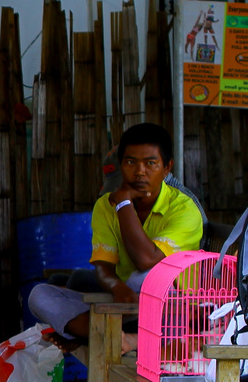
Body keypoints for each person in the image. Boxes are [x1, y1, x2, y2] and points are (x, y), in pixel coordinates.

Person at [29, 122, 203, 350]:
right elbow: (103, 265)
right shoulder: (105, 205)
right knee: (40, 294)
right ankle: (103, 334)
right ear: (121, 165)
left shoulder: (185, 208)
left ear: (167, 167)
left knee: (149, 275)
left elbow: (145, 260)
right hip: (124, 303)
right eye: (131, 162)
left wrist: (123, 203)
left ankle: (91, 334)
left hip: (170, 308)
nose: (140, 172)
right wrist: (116, 287)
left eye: (150, 163)